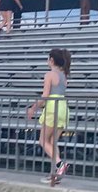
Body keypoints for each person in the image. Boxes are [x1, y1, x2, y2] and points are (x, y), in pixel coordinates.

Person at [27, 48, 72, 183]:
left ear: (51, 60)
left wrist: (33, 108)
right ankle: (55, 173)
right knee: (52, 142)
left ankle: (59, 164)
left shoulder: (50, 75)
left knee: (43, 141)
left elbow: (45, 95)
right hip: (63, 106)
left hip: (52, 106)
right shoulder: (64, 75)